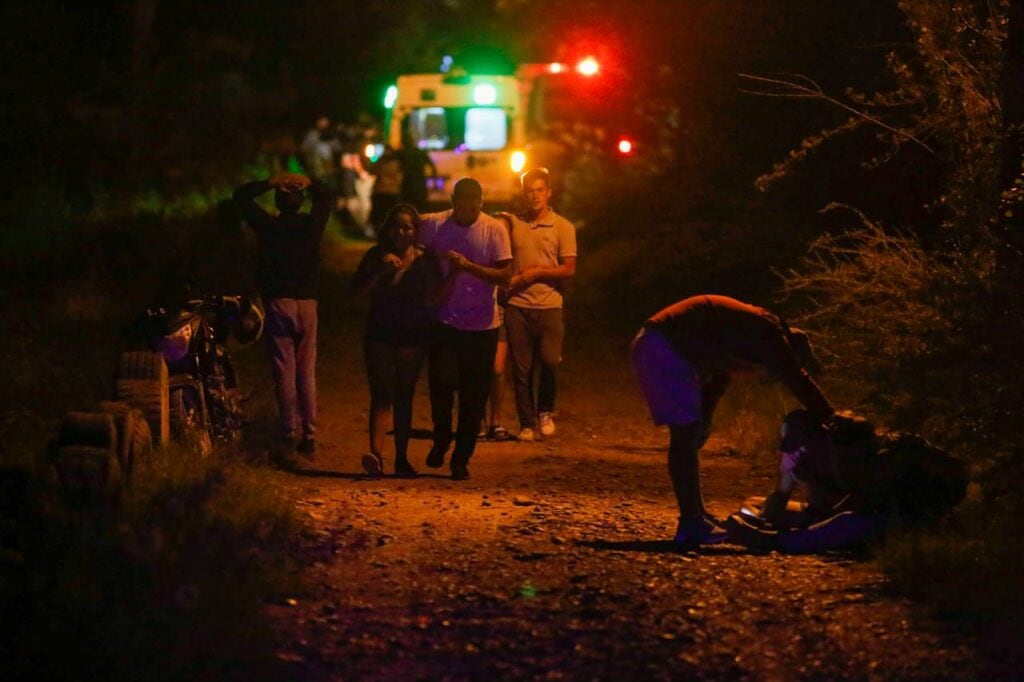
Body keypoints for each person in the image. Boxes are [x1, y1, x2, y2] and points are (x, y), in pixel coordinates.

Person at [629, 294, 835, 546]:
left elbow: (718, 378)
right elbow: (797, 379)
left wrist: (705, 417)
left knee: (689, 434)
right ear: (787, 347)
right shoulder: (768, 334)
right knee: (684, 437)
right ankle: (691, 524)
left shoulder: (745, 332)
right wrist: (832, 420)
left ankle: (696, 516)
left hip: (657, 344)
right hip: (663, 347)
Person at [725, 410, 968, 553]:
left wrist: (817, 516)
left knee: (850, 524)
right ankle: (783, 537)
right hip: (897, 508)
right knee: (846, 521)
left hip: (919, 517)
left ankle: (773, 541)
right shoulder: (860, 456)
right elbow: (855, 497)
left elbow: (860, 502)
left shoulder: (887, 458)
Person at [233, 172, 331, 462]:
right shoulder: (313, 226)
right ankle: (310, 435)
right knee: (306, 372)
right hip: (308, 304)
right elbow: (327, 196)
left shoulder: (268, 226)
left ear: (277, 201)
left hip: (278, 303)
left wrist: (270, 182)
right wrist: (307, 181)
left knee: (284, 370)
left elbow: (240, 196)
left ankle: (288, 431)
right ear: (301, 202)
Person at [419, 178, 512, 480]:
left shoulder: (494, 229)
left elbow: (506, 274)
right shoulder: (436, 225)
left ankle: (461, 458)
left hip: (482, 324)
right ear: (453, 200)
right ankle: (442, 436)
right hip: (445, 320)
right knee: (441, 383)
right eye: (464, 199)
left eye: (476, 199)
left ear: (482, 202)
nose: (470, 205)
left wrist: (469, 267)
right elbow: (406, 226)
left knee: (474, 394)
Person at [352, 203, 437, 478]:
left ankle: (401, 457)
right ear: (387, 230)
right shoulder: (375, 256)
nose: (401, 232)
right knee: (381, 394)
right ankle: (375, 454)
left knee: (404, 395)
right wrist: (380, 273)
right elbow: (356, 294)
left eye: (407, 227)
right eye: (396, 227)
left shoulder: (425, 260)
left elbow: (433, 295)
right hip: (380, 333)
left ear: (415, 231)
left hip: (412, 335)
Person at [500, 168, 577, 441]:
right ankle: (526, 422)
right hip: (518, 305)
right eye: (530, 190)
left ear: (549, 192)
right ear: (523, 193)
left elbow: (568, 268)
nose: (535, 195)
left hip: (549, 305)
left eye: (540, 190)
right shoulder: (513, 224)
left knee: (549, 360)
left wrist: (536, 273)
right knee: (521, 369)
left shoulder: (563, 227)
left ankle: (545, 409)